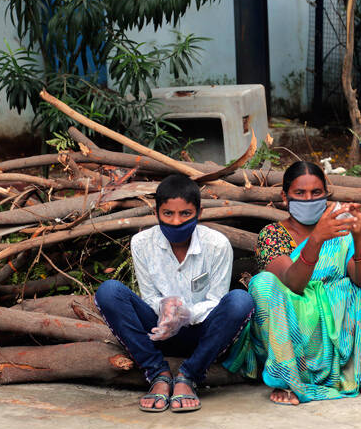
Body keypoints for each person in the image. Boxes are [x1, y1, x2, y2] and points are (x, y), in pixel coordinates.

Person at [224, 161, 361, 405]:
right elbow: (293, 284)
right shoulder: (272, 234)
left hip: (336, 327)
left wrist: (359, 236)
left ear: (326, 194)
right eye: (300, 193)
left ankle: (356, 370)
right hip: (291, 326)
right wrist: (316, 239)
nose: (308, 199)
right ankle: (288, 378)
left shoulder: (340, 231)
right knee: (262, 284)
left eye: (316, 193)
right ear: (285, 197)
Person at [94, 174, 254, 413]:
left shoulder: (217, 244)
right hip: (159, 333)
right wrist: (164, 306)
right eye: (168, 214)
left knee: (240, 300)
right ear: (156, 212)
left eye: (185, 214)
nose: (177, 222)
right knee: (108, 291)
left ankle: (189, 376)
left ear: (198, 213)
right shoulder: (141, 243)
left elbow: (217, 300)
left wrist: (186, 313)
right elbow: (148, 296)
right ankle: (157, 372)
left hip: (204, 335)